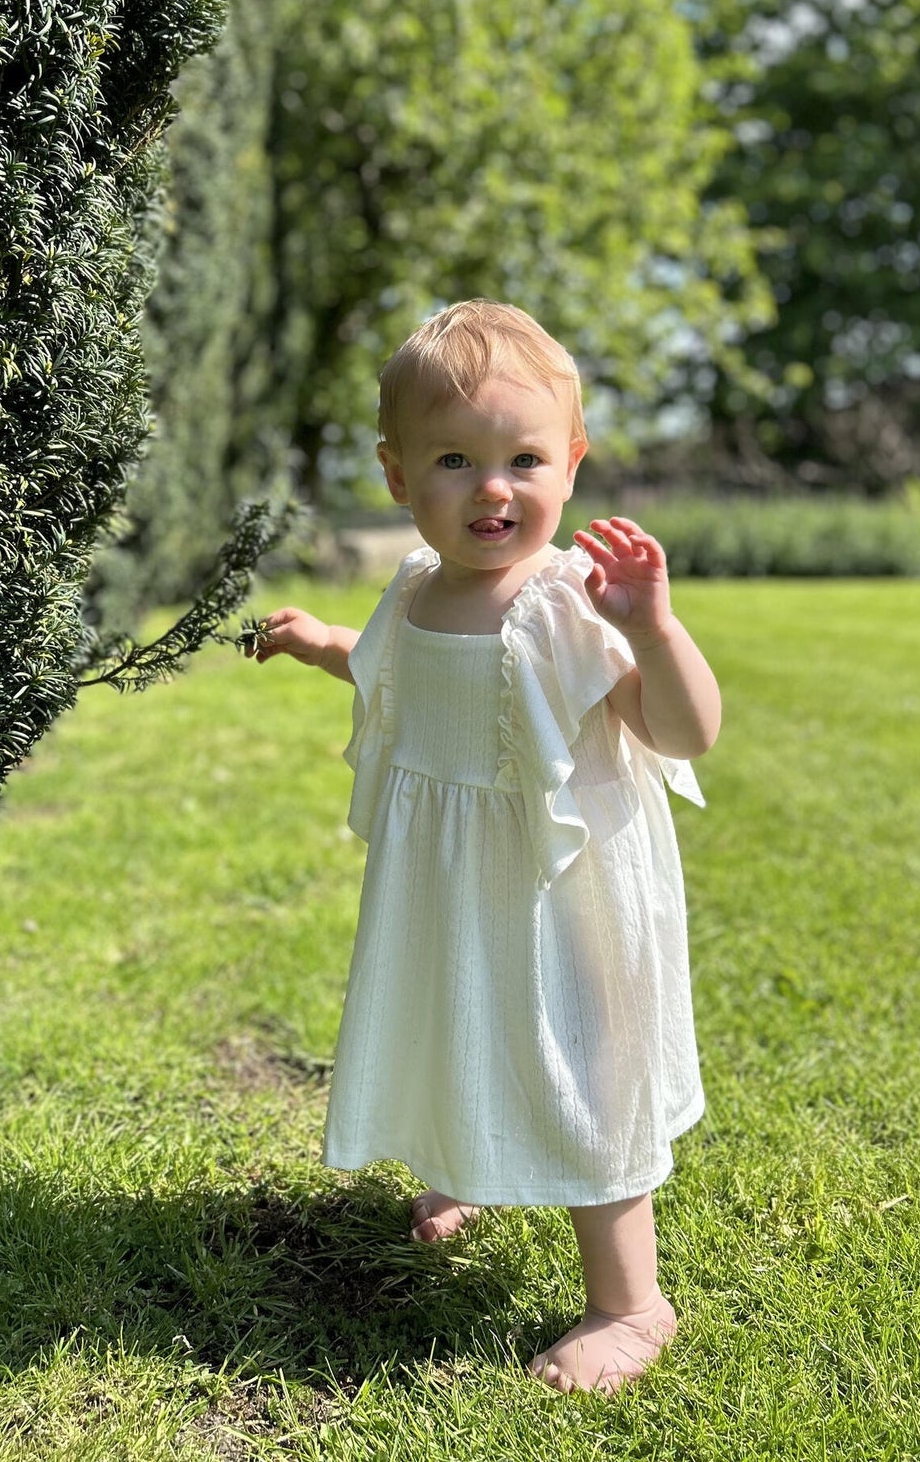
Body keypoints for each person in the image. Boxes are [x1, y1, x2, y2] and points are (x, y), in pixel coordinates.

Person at [243, 299, 721, 1394]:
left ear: (573, 460)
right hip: (454, 884)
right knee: (463, 1019)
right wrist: (325, 644)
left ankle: (629, 1303)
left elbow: (683, 730)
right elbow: (394, 674)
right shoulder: (412, 589)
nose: (492, 486)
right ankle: (475, 1161)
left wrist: (652, 626)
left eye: (522, 457)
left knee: (584, 1070)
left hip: (571, 890)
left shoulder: (567, 603)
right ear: (398, 475)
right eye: (454, 459)